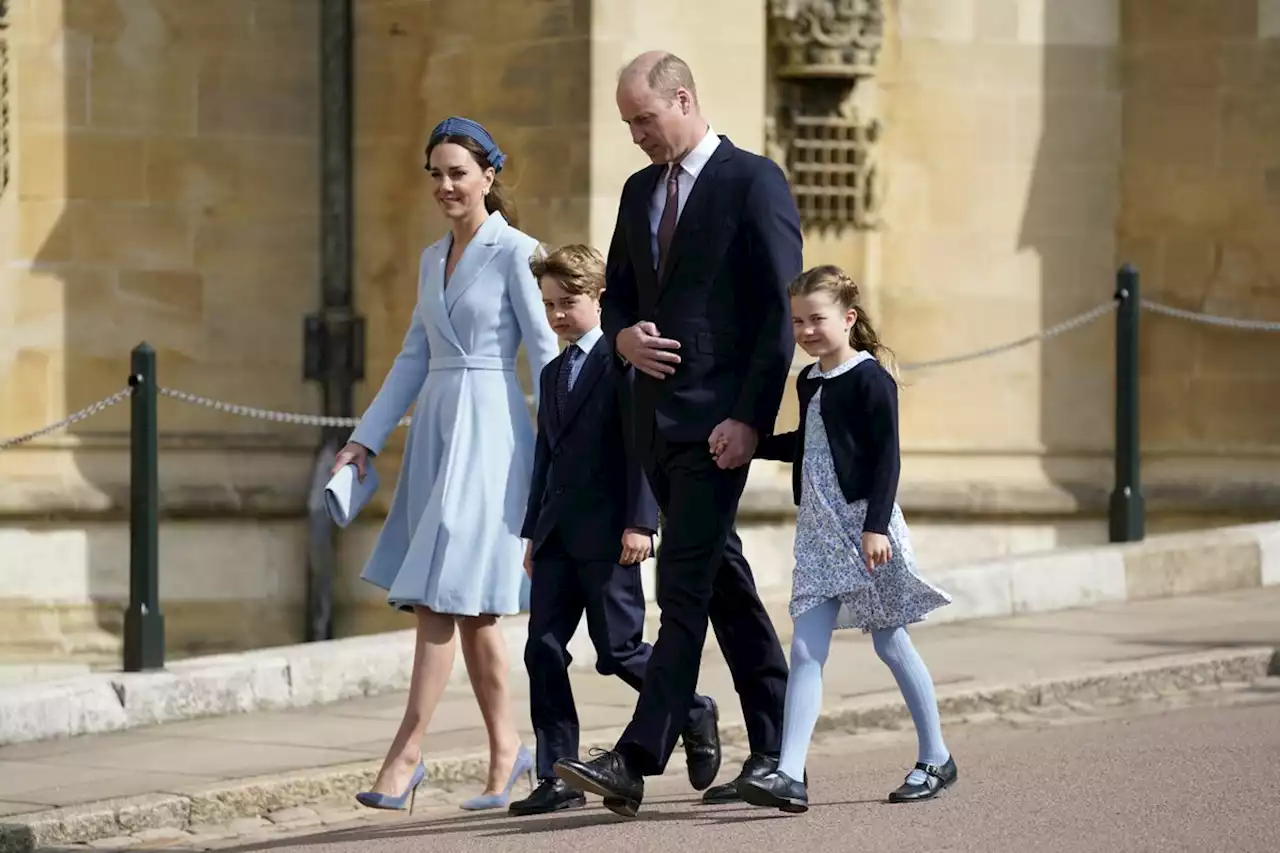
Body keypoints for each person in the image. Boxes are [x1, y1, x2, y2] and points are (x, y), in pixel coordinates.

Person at [552, 51, 796, 817]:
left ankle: (635, 755)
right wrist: (620, 340)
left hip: (719, 428)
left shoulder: (753, 181)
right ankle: (777, 746)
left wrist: (751, 419)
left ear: (683, 100)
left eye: (643, 120)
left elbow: (777, 315)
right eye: (626, 123)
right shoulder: (636, 191)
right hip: (650, 425)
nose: (634, 136)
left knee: (682, 586)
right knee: (721, 578)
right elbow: (618, 295)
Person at [332, 116, 560, 814]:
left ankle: (406, 753)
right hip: (437, 429)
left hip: (492, 434)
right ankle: (506, 751)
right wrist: (363, 440)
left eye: (457, 171)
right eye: (435, 172)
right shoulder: (433, 259)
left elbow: (548, 353)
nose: (445, 185)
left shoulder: (520, 252)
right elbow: (411, 356)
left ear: (490, 174)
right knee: (474, 610)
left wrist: (568, 447)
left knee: (439, 593)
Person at [735, 265, 957, 813]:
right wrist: (752, 444)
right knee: (807, 649)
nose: (807, 331)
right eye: (797, 322)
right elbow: (810, 445)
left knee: (890, 642)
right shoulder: (809, 379)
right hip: (818, 530)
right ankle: (789, 774)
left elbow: (886, 458)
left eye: (817, 319)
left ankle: (936, 757)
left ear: (848, 318)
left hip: (863, 528)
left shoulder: (870, 378)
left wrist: (876, 526)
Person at [510, 244, 720, 816]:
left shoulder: (624, 364)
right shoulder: (553, 373)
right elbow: (544, 460)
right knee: (542, 651)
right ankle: (559, 775)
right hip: (555, 536)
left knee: (619, 650)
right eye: (548, 303)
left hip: (610, 536)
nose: (556, 315)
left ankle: (693, 707)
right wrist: (531, 532)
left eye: (567, 302)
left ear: (600, 300)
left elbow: (641, 450)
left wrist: (640, 521)